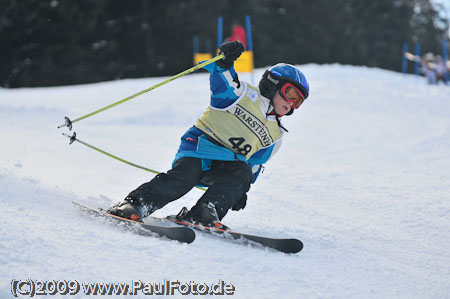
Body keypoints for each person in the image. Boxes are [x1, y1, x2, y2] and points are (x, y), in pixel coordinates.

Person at [107, 41, 310, 227]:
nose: (291, 103)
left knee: (242, 172)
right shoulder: (242, 95)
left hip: (225, 165)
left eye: (298, 101)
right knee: (184, 179)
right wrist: (225, 61)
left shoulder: (276, 135)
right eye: (290, 94)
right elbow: (223, 80)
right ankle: (136, 204)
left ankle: (205, 212)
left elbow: (254, 164)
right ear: (273, 83)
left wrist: (240, 189)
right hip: (199, 149)